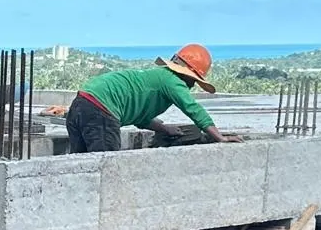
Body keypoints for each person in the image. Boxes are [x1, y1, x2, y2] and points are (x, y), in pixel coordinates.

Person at [65, 44, 233, 154]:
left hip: (81, 103)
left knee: (79, 161)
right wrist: (220, 137)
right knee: (104, 165)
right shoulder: (173, 81)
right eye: (194, 81)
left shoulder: (159, 77)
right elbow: (193, 109)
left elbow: (140, 117)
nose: (192, 86)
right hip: (101, 109)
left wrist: (165, 129)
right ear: (189, 75)